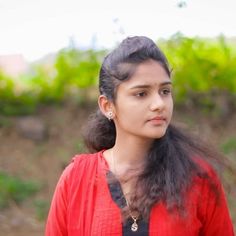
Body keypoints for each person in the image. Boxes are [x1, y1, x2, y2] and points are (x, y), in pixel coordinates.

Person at [45, 36, 234, 236]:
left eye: (165, 91)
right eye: (141, 94)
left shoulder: (198, 178)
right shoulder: (76, 178)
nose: (159, 104)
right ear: (108, 106)